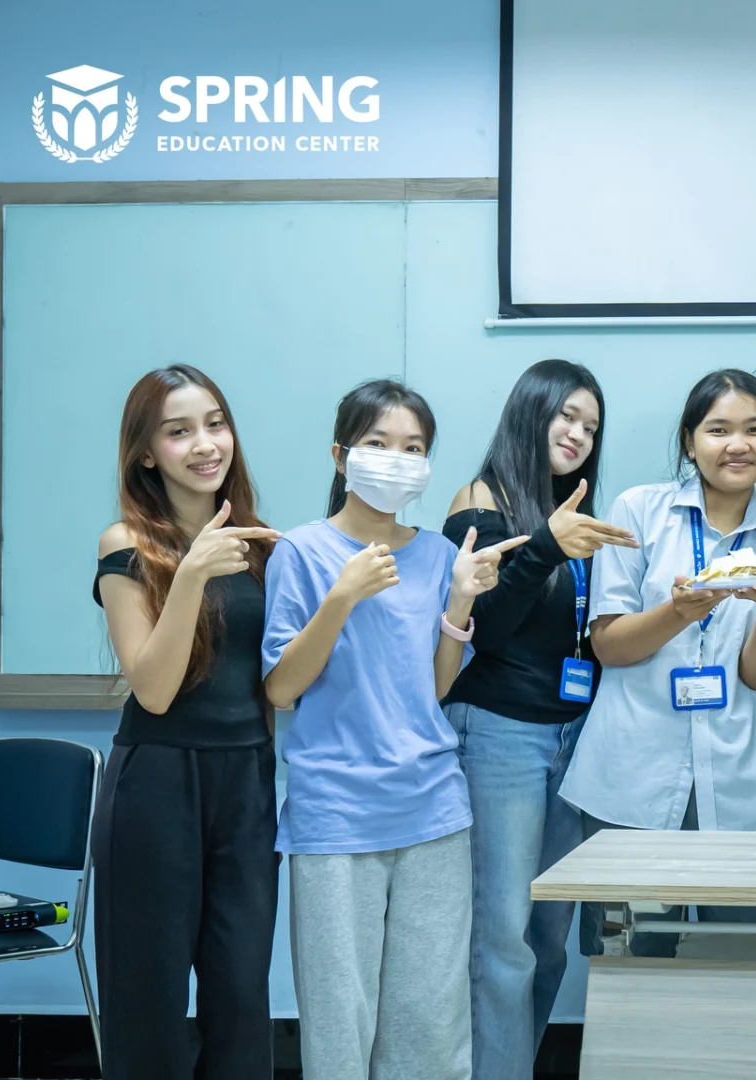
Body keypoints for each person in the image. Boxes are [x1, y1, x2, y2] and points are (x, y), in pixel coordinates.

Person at [263, 379, 518, 1080]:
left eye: (414, 448)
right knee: (341, 1020)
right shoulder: (303, 552)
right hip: (337, 812)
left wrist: (461, 601)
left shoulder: (439, 554)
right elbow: (283, 689)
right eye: (379, 444)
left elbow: (433, 688)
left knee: (431, 1020)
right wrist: (341, 596)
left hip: (433, 807)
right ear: (341, 455)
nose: (396, 459)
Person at [559, 369, 756, 956]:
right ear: (688, 441)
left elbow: (755, 676)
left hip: (743, 776)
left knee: (749, 963)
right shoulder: (638, 512)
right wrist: (678, 612)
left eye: (754, 429)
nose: (737, 444)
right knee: (633, 962)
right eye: (718, 429)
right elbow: (610, 646)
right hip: (632, 776)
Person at [441, 359, 638, 1079]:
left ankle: (509, 1063)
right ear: (533, 411)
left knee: (550, 935)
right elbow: (484, 628)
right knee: (502, 937)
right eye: (567, 417)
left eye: (591, 426)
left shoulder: (573, 512)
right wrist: (547, 545)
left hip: (574, 735)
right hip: (501, 735)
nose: (580, 434)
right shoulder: (481, 499)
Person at [91, 365, 282, 1079]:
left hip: (249, 781)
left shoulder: (261, 546)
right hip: (157, 781)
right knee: (150, 1003)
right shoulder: (125, 545)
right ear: (147, 452)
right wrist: (193, 573)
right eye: (179, 432)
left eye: (214, 424)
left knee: (241, 996)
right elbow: (156, 688)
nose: (205, 445)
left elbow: (282, 680)